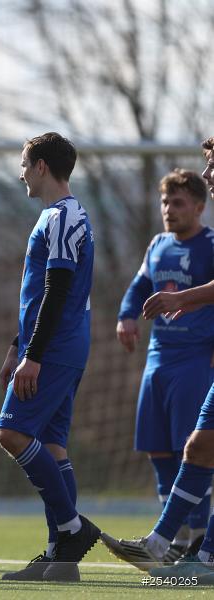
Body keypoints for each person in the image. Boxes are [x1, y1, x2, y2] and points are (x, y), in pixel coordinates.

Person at [102, 137, 214, 581]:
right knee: (192, 446)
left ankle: (197, 546)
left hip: (193, 361)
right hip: (158, 361)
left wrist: (181, 298)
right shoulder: (157, 244)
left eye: (211, 165)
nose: (207, 173)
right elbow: (137, 285)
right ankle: (167, 545)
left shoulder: (209, 244)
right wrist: (127, 314)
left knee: (199, 444)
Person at [0, 132, 99, 582]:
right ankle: (61, 559)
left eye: (24, 163)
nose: (21, 172)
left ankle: (72, 530)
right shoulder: (62, 216)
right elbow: (39, 293)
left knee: (11, 433)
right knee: (52, 445)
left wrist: (34, 355)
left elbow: (57, 291)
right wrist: (16, 347)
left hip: (55, 348)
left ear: (41, 166)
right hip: (57, 345)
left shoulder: (62, 216)